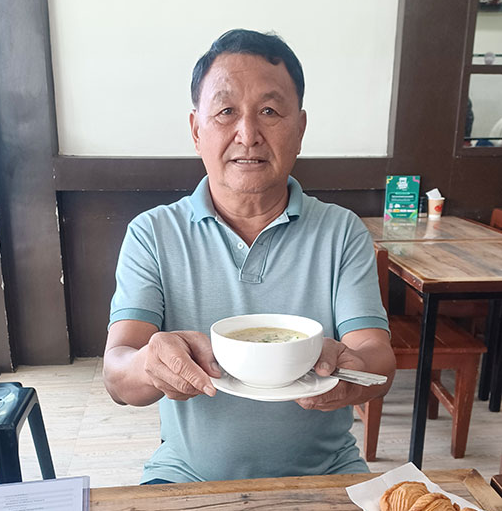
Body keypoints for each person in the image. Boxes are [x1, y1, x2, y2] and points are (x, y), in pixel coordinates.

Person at [103, 29, 396, 484]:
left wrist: (352, 371)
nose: (248, 134)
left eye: (269, 111)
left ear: (300, 129)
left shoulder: (341, 231)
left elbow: (377, 356)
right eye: (225, 112)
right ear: (196, 130)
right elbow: (117, 374)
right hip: (186, 473)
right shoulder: (153, 234)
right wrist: (151, 363)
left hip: (328, 472)